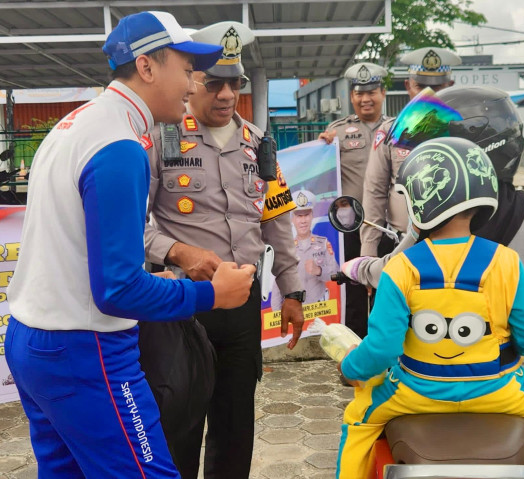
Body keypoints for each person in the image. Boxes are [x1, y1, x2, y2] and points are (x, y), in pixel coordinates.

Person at [5, 11, 256, 478]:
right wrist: (211, 295)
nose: (193, 81)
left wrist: (154, 278)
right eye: (186, 68)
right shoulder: (119, 145)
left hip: (34, 338)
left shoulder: (74, 125)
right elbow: (116, 290)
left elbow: (77, 248)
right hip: (86, 348)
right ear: (146, 67)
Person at [336, 137, 524, 479]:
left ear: (418, 201)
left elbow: (382, 348)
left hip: (414, 391)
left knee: (356, 422)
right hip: (499, 390)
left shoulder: (400, 268)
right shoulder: (506, 262)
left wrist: (350, 369)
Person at [143, 21, 305, 479]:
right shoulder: (160, 139)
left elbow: (277, 220)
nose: (226, 95)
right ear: (193, 80)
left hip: (241, 306)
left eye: (235, 84)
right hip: (181, 306)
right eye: (215, 83)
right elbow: (132, 227)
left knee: (235, 429)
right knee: (179, 424)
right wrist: (178, 251)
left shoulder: (259, 143)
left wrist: (293, 292)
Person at [341, 86, 524, 320]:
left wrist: (358, 266)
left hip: (428, 353)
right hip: (507, 356)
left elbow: (387, 273)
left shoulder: (433, 218)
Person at [361, 47, 462, 258]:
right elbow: (375, 194)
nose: (429, 93)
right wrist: (369, 255)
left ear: (450, 86)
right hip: (403, 247)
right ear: (408, 86)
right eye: (421, 86)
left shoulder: (463, 130)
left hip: (456, 247)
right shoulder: (391, 131)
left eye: (437, 87)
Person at [317, 62, 388, 337]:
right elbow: (324, 175)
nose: (365, 99)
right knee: (354, 290)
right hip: (352, 227)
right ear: (351, 97)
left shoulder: (399, 128)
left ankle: (387, 345)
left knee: (390, 287)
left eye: (371, 92)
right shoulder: (337, 131)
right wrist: (323, 146)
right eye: (359, 93)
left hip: (389, 227)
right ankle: (355, 346)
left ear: (382, 93)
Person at [271, 190, 339, 311]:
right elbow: (277, 287)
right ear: (292, 219)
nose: (303, 221)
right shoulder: (286, 250)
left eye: (306, 215)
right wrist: (277, 316)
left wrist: (319, 270)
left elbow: (336, 274)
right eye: (299, 216)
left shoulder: (323, 243)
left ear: (312, 215)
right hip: (295, 312)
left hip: (320, 309)